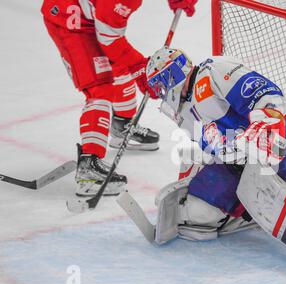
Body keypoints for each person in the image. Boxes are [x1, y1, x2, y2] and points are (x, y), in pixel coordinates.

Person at [145, 47, 286, 275]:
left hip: (283, 135)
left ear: (172, 74)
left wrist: (264, 126)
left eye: (160, 84)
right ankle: (253, 213)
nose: (161, 92)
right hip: (239, 160)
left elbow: (268, 97)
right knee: (198, 213)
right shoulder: (183, 113)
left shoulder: (213, 71)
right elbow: (213, 148)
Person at [41, 0, 197, 196]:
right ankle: (89, 165)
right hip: (70, 20)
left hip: (94, 17)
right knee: (100, 88)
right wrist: (141, 69)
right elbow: (109, 39)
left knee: (120, 64)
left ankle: (122, 125)